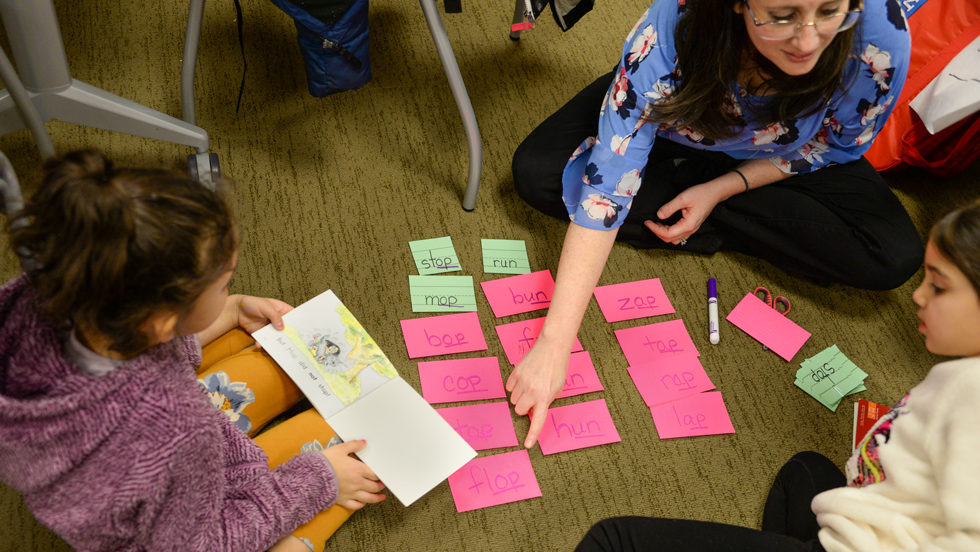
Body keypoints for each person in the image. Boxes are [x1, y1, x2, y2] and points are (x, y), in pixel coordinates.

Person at [509, 0, 921, 448]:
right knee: (538, 174)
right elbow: (606, 191)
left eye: (828, 11)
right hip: (674, 120)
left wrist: (724, 188)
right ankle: (706, 199)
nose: (807, 39)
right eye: (782, 15)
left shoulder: (880, 39)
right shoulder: (671, 31)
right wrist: (554, 343)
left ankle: (695, 197)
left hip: (779, 154)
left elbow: (832, 148)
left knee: (892, 255)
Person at [0, 150, 385, 552]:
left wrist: (231, 308)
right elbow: (202, 544)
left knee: (268, 358)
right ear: (162, 321)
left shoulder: (42, 292)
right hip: (170, 527)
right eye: (222, 285)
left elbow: (139, 351)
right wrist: (317, 481)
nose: (227, 289)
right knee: (354, 454)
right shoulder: (179, 427)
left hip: (102, 474)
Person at [574, 199, 980, 552]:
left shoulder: (968, 391)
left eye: (939, 286)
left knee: (613, 539)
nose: (918, 295)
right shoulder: (960, 375)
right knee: (804, 470)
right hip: (869, 514)